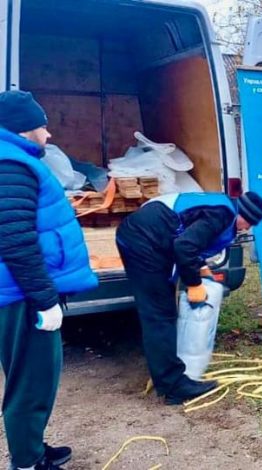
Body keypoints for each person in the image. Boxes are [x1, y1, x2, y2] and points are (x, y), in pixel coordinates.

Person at [0, 90, 98, 470]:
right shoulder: (11, 164)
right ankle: (27, 462)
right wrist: (43, 298)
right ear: (25, 129)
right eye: (42, 125)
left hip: (24, 291)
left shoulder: (16, 160)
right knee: (31, 381)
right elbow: (14, 237)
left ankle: (32, 448)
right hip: (22, 295)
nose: (48, 134)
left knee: (34, 376)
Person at [115, 191, 262, 405]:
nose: (246, 228)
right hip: (144, 240)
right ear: (242, 212)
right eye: (248, 222)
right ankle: (173, 386)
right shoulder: (222, 215)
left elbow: (191, 236)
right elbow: (184, 246)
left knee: (162, 309)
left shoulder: (221, 207)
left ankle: (167, 370)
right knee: (159, 314)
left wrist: (201, 268)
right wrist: (194, 284)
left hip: (143, 235)